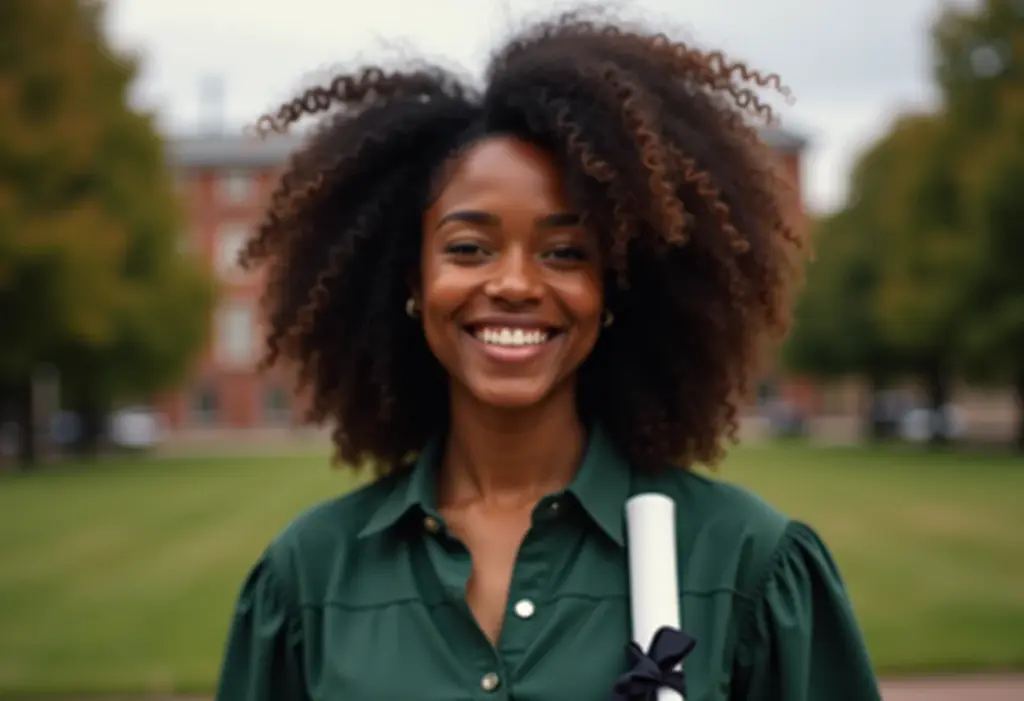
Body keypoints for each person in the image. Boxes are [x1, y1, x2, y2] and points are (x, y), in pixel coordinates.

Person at [215, 9, 881, 701]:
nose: (513, 283)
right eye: (469, 248)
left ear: (612, 289)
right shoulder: (307, 580)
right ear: (413, 281)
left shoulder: (746, 564)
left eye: (565, 252)